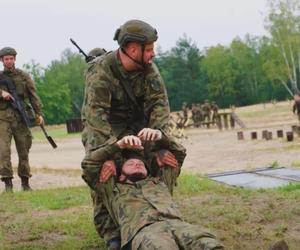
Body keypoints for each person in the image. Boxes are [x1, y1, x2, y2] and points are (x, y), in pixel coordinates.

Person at [81, 19, 186, 249]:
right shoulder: (100, 72)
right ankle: (111, 232)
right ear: (131, 49)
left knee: (165, 155)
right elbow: (96, 116)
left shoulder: (149, 70)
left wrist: (157, 136)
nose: (153, 54)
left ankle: (159, 215)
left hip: (138, 127)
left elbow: (160, 104)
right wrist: (110, 152)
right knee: (102, 167)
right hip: (104, 127)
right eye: (148, 49)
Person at [99, 148, 224, 250]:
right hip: (146, 231)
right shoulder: (113, 190)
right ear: (120, 175)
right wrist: (112, 154)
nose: (136, 164)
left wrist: (161, 143)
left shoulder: (160, 182)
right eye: (131, 164)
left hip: (178, 225)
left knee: (208, 243)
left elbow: (178, 154)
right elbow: (90, 165)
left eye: (140, 164)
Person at [0, 47, 44, 192]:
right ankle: (8, 184)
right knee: (3, 151)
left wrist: (39, 113)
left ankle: (25, 182)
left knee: (24, 149)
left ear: (15, 59)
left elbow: (33, 95)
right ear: (2, 60)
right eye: (6, 59)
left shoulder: (24, 76)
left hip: (20, 118)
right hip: (3, 118)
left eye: (11, 58)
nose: (9, 61)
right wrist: (2, 93)